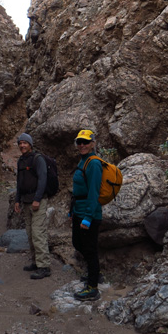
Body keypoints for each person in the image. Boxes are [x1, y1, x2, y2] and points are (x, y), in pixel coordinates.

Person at [70, 129, 103, 301]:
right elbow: (78, 190)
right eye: (79, 142)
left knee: (90, 250)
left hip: (89, 214)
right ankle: (94, 273)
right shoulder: (83, 161)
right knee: (78, 243)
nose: (82, 145)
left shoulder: (94, 164)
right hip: (78, 210)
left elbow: (93, 192)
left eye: (85, 142)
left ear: (92, 143)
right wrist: (72, 211)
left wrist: (88, 218)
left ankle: (92, 288)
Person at [13, 133, 51, 279]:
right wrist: (17, 200)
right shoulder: (21, 160)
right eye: (20, 143)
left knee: (38, 233)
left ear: (30, 144)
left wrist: (37, 199)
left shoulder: (38, 159)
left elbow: (43, 179)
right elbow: (19, 182)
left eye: (25, 143)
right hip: (26, 200)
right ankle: (36, 262)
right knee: (30, 233)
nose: (22, 145)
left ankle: (44, 266)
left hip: (38, 202)